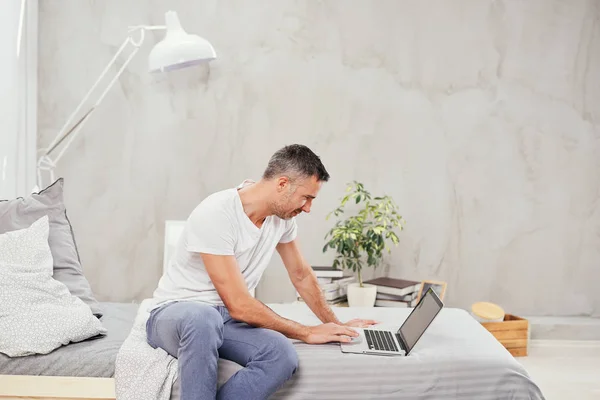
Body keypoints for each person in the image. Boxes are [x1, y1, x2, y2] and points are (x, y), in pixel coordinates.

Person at [146, 144, 377, 400]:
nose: (308, 207)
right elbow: (240, 306)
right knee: (202, 319)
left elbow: (301, 274)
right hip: (177, 314)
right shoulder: (217, 213)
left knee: (281, 355)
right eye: (307, 197)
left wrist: (333, 323)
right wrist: (306, 331)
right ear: (282, 184)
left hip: (225, 321)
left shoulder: (282, 220)